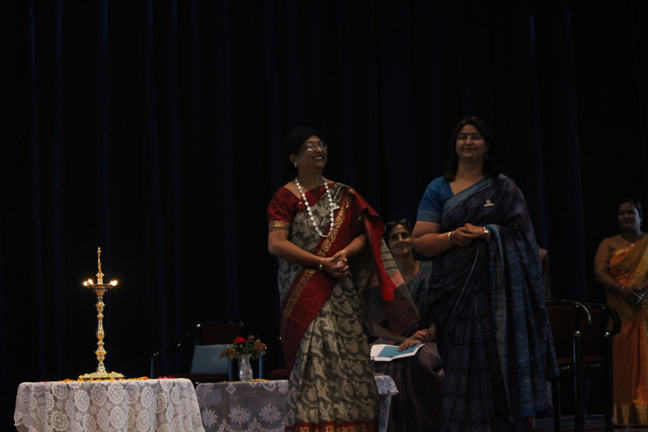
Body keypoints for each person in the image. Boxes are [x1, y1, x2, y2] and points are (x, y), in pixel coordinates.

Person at [411, 116, 558, 432]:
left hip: (496, 297)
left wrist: (488, 232)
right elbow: (420, 241)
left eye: (475, 136)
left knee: (494, 369)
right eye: (462, 136)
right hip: (452, 295)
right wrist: (453, 238)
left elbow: (524, 237)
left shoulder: (504, 188)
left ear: (487, 145)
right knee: (459, 372)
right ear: (455, 145)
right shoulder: (438, 188)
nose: (468, 142)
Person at [267, 127, 419, 432]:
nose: (318, 150)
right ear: (294, 158)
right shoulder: (285, 196)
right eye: (310, 147)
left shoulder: (344, 195)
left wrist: (343, 255)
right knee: (312, 360)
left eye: (321, 145)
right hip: (304, 296)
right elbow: (276, 244)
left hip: (341, 291)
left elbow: (367, 232)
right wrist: (322, 263)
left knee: (349, 360)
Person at [372, 219, 443, 432]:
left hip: (429, 339)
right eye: (394, 237)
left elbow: (446, 313)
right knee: (373, 362)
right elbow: (374, 326)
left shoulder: (432, 272)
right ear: (387, 245)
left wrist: (425, 335)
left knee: (420, 361)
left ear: (413, 240)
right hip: (396, 341)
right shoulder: (381, 280)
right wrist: (404, 339)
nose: (401, 240)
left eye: (405, 235)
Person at [594, 197, 648, 427]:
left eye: (631, 212)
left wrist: (643, 290)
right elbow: (600, 273)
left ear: (640, 216)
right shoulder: (609, 244)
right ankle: (624, 415)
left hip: (645, 309)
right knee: (624, 363)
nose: (626, 217)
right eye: (622, 213)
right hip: (621, 312)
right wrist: (624, 290)